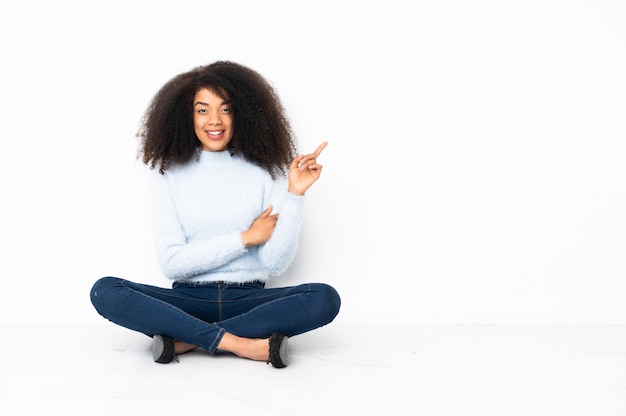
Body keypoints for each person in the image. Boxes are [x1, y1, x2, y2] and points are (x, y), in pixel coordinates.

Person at [90, 60, 341, 368]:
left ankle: (186, 340)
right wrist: (247, 238)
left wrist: (295, 195)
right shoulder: (168, 173)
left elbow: (274, 263)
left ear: (242, 113)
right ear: (188, 115)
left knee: (325, 298)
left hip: (249, 300)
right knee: (106, 291)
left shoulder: (266, 170)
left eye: (226, 108)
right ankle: (241, 345)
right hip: (186, 302)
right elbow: (172, 264)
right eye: (202, 109)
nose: (215, 120)